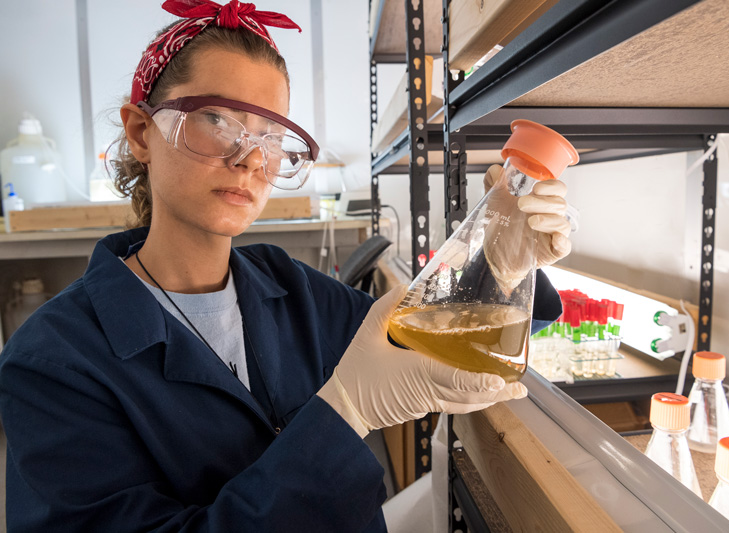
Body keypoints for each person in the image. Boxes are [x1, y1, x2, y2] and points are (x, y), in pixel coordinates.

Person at [0, 1, 571, 531]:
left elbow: (434, 336)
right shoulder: (53, 363)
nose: (250, 157)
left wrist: (502, 263)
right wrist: (344, 413)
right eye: (218, 119)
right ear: (142, 131)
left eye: (273, 135)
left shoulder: (285, 285)